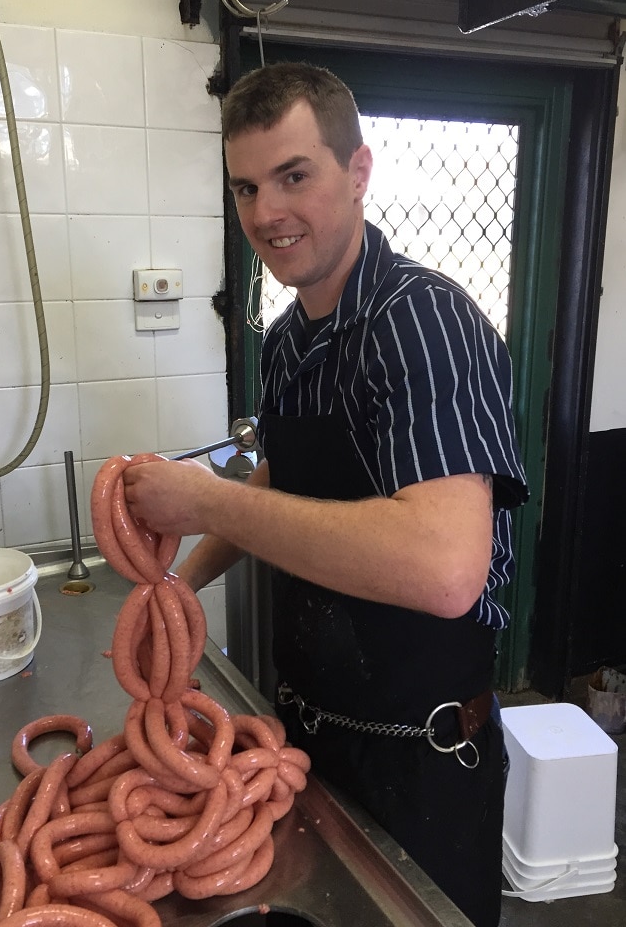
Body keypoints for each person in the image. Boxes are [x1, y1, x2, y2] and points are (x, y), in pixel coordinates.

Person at [122, 62, 528, 927]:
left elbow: (447, 568)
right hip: (306, 741)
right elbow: (284, 479)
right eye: (246, 186)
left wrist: (206, 501)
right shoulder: (288, 339)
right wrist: (175, 589)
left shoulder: (425, 322)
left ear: (359, 172)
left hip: (420, 762)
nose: (266, 212)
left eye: (293, 176)